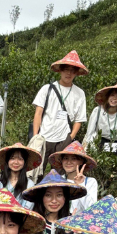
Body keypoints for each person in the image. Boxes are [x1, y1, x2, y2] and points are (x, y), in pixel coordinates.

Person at [31, 51, 89, 179]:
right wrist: (36, 137)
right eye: (66, 70)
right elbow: (38, 113)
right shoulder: (47, 89)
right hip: (44, 137)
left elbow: (79, 119)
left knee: (60, 176)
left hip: (64, 139)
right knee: (36, 173)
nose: (68, 73)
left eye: (72, 71)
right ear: (60, 71)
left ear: (76, 73)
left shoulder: (79, 93)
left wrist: (70, 137)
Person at [47, 141, 98, 214]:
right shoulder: (57, 180)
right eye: (66, 158)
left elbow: (92, 209)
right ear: (61, 161)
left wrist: (81, 185)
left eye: (73, 159)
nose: (68, 162)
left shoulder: (90, 182)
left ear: (81, 161)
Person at [0, 143, 41, 209]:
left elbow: (27, 209)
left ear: (24, 162)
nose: (16, 162)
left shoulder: (29, 185)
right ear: (7, 161)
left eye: (20, 159)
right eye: (12, 158)